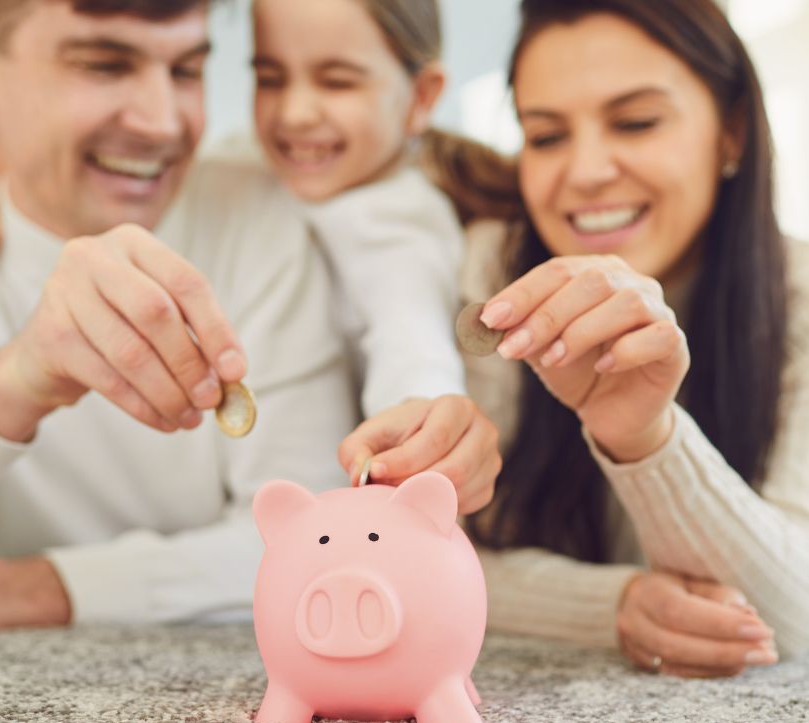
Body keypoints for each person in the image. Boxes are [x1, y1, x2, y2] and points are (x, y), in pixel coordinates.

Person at [0, 0, 499, 632]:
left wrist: (27, 591)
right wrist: (16, 380)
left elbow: (314, 534)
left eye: (187, 70)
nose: (161, 123)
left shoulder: (273, 215)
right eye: (104, 65)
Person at [344, 0, 809, 677]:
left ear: (732, 131)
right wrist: (613, 606)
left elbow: (792, 615)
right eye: (546, 136)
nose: (586, 171)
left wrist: (646, 436)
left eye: (636, 122)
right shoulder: (489, 277)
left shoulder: (800, 302)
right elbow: (405, 551)